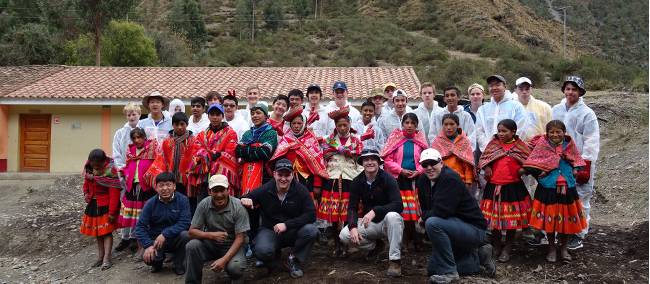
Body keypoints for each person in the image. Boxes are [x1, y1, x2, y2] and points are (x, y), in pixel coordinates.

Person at [416, 149, 495, 283]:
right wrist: (425, 217)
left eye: (432, 163)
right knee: (433, 269)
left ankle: (450, 272)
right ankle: (479, 256)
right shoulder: (423, 180)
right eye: (425, 165)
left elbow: (442, 212)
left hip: (473, 229)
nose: (429, 168)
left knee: (432, 223)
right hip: (452, 226)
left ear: (441, 163)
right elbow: (427, 208)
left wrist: (423, 218)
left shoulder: (450, 178)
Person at [241, 159, 318, 279]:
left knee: (311, 231)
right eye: (280, 174)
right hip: (270, 230)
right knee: (262, 251)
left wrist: (287, 224)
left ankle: (294, 259)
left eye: (287, 175)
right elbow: (248, 197)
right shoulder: (265, 189)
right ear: (274, 174)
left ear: (292, 175)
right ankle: (274, 259)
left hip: (292, 230)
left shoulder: (301, 190)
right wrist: (245, 199)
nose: (283, 178)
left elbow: (311, 214)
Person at [523, 120, 588, 263]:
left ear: (564, 132)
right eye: (551, 132)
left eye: (558, 132)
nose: (555, 134)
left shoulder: (569, 145)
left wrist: (575, 169)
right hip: (548, 187)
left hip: (567, 187)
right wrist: (537, 171)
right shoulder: (542, 146)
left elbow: (577, 161)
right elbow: (533, 162)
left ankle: (563, 248)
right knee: (550, 220)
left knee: (565, 220)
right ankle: (552, 247)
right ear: (547, 133)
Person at [551, 76, 600, 250]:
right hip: (558, 161)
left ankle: (578, 233)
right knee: (559, 196)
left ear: (580, 92)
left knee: (580, 197)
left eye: (574, 89)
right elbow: (550, 132)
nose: (570, 92)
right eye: (568, 88)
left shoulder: (587, 113)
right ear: (564, 90)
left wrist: (584, 164)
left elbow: (591, 140)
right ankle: (559, 230)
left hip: (579, 160)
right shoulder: (556, 109)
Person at [339, 149, 404, 277]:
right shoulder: (357, 181)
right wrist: (352, 227)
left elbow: (398, 205)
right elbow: (352, 207)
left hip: (388, 223)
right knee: (344, 235)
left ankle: (395, 261)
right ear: (362, 163)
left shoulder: (388, 178)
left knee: (393, 216)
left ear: (379, 162)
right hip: (370, 223)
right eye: (366, 159)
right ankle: (375, 246)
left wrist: (375, 210)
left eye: (373, 159)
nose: (370, 162)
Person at [478, 119, 531, 262]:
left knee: (511, 221)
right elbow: (484, 159)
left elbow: (530, 161)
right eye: (499, 130)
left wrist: (523, 169)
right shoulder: (493, 144)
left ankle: (507, 248)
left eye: (504, 131)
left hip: (513, 188)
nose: (500, 134)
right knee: (494, 220)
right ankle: (496, 245)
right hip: (494, 186)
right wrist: (487, 167)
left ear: (513, 132)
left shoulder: (520, 146)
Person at [185, 175, 250, 284]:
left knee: (235, 268)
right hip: (212, 245)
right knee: (192, 246)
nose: (219, 195)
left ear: (228, 190)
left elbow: (240, 238)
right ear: (209, 191)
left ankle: (236, 278)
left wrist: (223, 260)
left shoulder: (238, 207)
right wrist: (211, 235)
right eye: (215, 191)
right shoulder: (204, 204)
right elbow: (191, 232)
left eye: (222, 190)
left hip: (233, 244)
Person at [319, 107, 364, 257]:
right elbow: (325, 154)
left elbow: (358, 157)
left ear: (350, 125)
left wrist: (341, 151)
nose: (342, 128)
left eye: (345, 125)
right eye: (339, 125)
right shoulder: (328, 140)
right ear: (336, 126)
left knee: (347, 211)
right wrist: (342, 150)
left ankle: (346, 242)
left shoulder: (357, 141)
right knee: (334, 212)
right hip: (333, 177)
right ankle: (336, 243)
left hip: (350, 178)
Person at [381, 113, 428, 250]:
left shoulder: (420, 140)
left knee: (416, 210)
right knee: (403, 209)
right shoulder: (395, 139)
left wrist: (418, 171)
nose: (409, 126)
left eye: (413, 123)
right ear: (402, 124)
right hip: (399, 179)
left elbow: (425, 159)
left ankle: (416, 239)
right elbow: (387, 160)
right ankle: (404, 240)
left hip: (416, 179)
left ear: (416, 125)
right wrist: (401, 170)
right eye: (407, 123)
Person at [269, 108, 329, 208]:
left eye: (299, 123)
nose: (296, 126)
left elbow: (318, 165)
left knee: (306, 207)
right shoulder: (285, 140)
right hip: (287, 179)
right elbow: (277, 161)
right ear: (290, 125)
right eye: (294, 123)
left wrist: (317, 185)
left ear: (304, 124)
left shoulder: (311, 140)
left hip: (306, 181)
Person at [135, 172, 191, 275]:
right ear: (156, 188)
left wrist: (165, 234)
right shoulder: (150, 203)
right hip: (156, 240)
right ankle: (158, 262)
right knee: (149, 258)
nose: (165, 188)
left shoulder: (183, 200)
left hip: (175, 238)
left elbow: (185, 222)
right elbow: (139, 227)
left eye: (168, 185)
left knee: (186, 235)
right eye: (161, 185)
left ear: (174, 186)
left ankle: (178, 263)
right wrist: (148, 245)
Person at [188, 103, 239, 214]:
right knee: (203, 204)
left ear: (222, 116)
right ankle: (201, 227)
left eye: (218, 114)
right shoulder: (202, 134)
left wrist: (208, 155)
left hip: (222, 177)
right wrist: (214, 154)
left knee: (224, 204)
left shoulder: (231, 133)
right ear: (208, 116)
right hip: (204, 177)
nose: (215, 117)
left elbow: (230, 153)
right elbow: (196, 151)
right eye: (212, 114)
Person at [115, 128, 157, 254]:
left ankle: (145, 246)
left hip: (146, 188)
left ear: (144, 137)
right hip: (133, 188)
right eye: (134, 138)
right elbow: (128, 166)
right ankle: (137, 243)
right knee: (135, 218)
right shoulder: (131, 151)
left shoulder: (152, 149)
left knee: (145, 217)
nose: (137, 140)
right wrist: (125, 173)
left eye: (139, 137)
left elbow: (156, 165)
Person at [80, 149, 121, 270]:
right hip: (93, 204)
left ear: (103, 162)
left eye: (97, 165)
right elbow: (86, 183)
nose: (95, 168)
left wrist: (112, 212)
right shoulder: (89, 167)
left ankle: (107, 259)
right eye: (93, 165)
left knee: (106, 232)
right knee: (98, 232)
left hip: (106, 206)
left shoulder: (111, 171)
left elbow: (114, 193)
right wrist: (86, 193)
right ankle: (100, 257)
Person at [145, 112, 195, 196]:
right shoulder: (167, 142)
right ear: (172, 125)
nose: (179, 127)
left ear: (187, 124)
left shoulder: (193, 141)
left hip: (187, 179)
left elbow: (194, 159)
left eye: (182, 124)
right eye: (176, 124)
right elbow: (162, 158)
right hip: (170, 179)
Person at [474, 75, 528, 152]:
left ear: (505, 87)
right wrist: (488, 147)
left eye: (497, 85)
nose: (494, 88)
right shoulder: (483, 109)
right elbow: (479, 131)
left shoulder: (516, 106)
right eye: (491, 85)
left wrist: (508, 147)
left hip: (510, 152)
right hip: (489, 152)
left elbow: (521, 129)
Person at [236, 102, 279, 196]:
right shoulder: (248, 133)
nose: (255, 116)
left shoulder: (271, 133)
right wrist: (257, 148)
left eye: (258, 113)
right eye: (252, 113)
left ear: (266, 116)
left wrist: (247, 150)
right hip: (246, 174)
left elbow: (264, 153)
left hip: (266, 177)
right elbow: (238, 150)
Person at [430, 114, 476, 193]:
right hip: (441, 182)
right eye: (446, 124)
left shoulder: (464, 142)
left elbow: (468, 164)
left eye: (452, 124)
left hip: (460, 182)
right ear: (442, 126)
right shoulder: (437, 142)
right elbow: (433, 164)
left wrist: (468, 181)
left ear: (457, 125)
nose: (448, 127)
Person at [515, 77, 552, 141]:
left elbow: (551, 127)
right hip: (518, 145)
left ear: (531, 89)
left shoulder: (544, 107)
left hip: (539, 145)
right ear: (516, 90)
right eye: (521, 89)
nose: (524, 92)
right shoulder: (512, 108)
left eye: (527, 89)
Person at [113, 103, 142, 169]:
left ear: (139, 114)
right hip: (125, 169)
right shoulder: (119, 133)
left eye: (134, 114)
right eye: (128, 115)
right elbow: (116, 152)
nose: (131, 117)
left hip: (141, 169)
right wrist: (121, 168)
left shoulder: (145, 130)